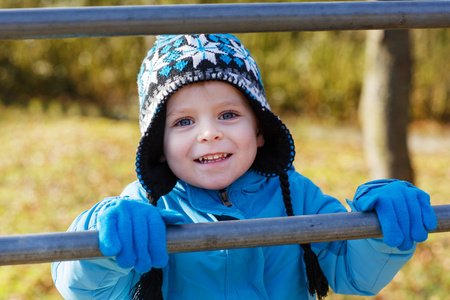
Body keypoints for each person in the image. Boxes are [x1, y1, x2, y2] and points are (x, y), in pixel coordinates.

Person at [51, 34, 437, 300]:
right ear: (160, 147)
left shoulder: (294, 194)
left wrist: (378, 230)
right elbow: (83, 288)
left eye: (229, 114)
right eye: (184, 122)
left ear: (260, 129)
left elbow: (352, 272)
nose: (209, 134)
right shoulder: (146, 206)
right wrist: (103, 237)